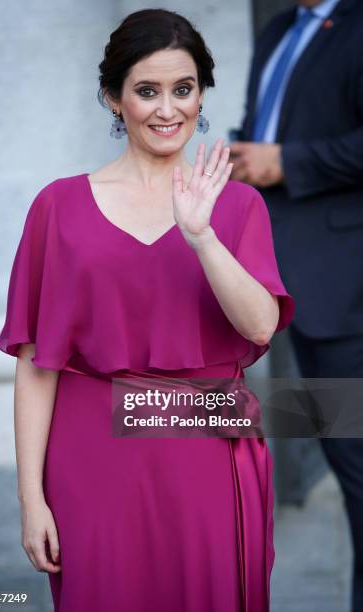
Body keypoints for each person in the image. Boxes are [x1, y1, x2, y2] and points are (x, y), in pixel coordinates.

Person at [0, 9, 294, 611]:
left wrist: (202, 236)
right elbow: (35, 362)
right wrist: (32, 499)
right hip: (91, 456)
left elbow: (261, 325)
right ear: (113, 98)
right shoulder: (58, 208)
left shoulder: (237, 208)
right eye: (147, 91)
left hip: (206, 452)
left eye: (183, 90)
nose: (167, 109)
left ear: (202, 93)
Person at [229, 0, 363, 610]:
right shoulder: (282, 26)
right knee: (340, 450)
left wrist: (286, 161)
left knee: (357, 462)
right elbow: (267, 123)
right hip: (284, 281)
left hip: (347, 291)